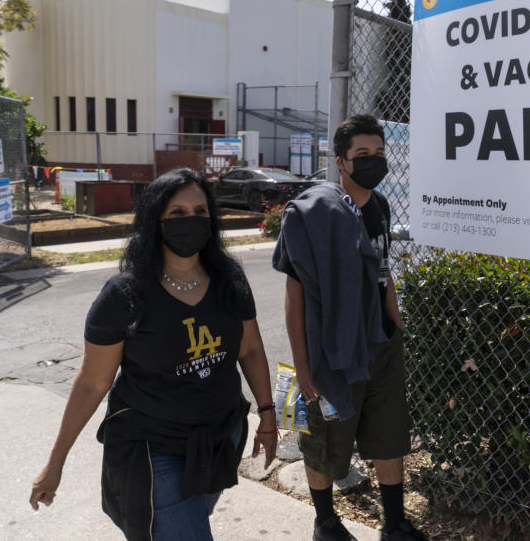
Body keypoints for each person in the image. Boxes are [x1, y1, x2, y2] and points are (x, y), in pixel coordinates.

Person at [29, 167, 280, 541]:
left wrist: (267, 414)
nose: (190, 221)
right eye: (177, 213)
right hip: (153, 447)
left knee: (184, 522)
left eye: (200, 212)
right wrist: (55, 462)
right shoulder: (124, 295)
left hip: (219, 439)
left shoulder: (230, 279)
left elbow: (251, 349)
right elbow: (92, 384)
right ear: (155, 222)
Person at [274, 114, 427, 541]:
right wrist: (303, 370)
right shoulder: (312, 214)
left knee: (388, 432)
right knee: (324, 436)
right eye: (363, 155)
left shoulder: (378, 206)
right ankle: (326, 522)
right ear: (341, 161)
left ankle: (393, 523)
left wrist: (395, 323)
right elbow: (295, 295)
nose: (374, 162)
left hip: (380, 344)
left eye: (379, 154)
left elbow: (384, 271)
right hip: (331, 350)